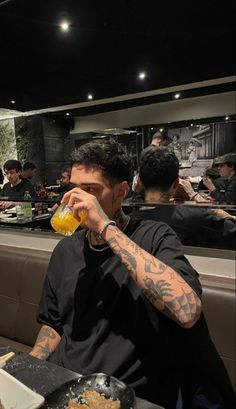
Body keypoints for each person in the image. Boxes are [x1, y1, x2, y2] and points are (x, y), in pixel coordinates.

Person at [30, 139, 204, 408]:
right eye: (74, 188)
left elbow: (188, 312)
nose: (78, 199)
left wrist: (105, 227)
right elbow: (53, 324)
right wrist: (30, 368)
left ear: (121, 192)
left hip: (122, 394)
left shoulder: (154, 237)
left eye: (91, 190)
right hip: (62, 384)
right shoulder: (65, 250)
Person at [132, 146, 236, 250]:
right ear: (176, 183)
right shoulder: (194, 216)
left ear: (140, 182)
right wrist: (194, 196)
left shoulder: (129, 222)